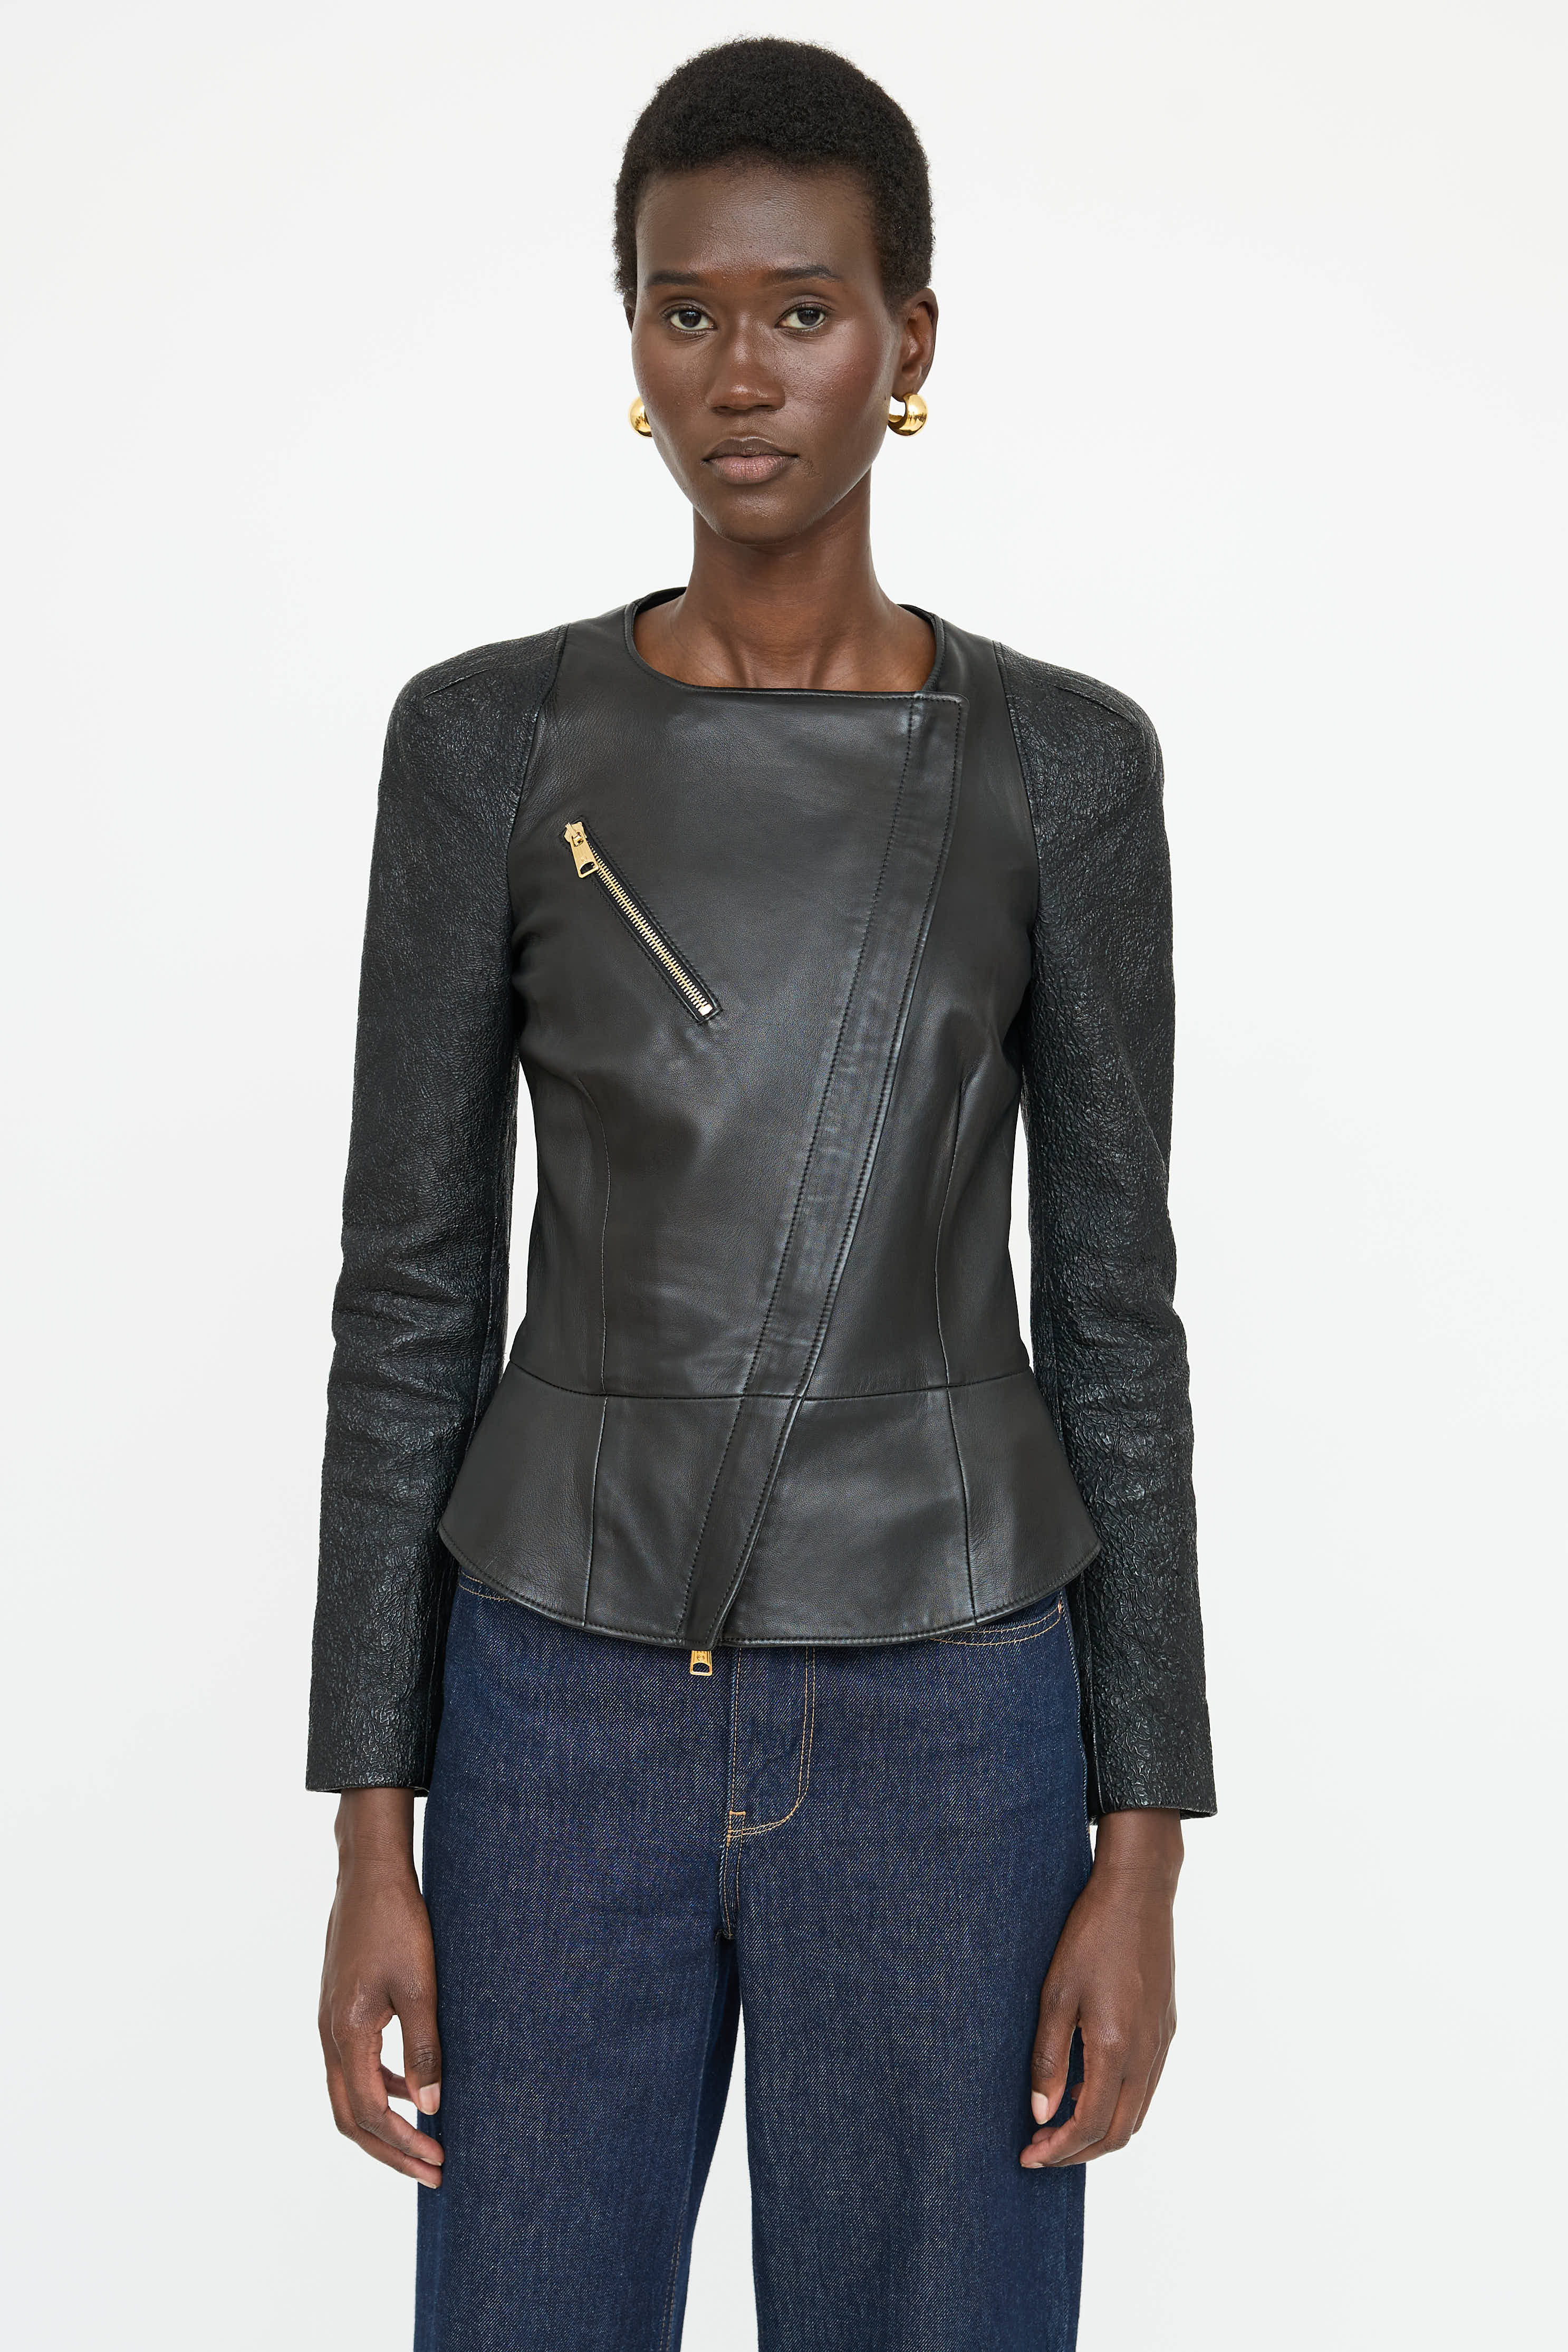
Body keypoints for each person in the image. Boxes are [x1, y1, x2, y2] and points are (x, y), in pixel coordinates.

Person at [308, 37, 1216, 2352]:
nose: (741, 370)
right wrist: (373, 1826)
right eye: (685, 307)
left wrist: (1141, 1845)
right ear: (627, 334)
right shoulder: (485, 743)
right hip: (555, 1708)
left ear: (911, 338)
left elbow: (1115, 1312)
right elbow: (409, 1295)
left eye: (804, 310)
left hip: (954, 1714)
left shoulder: (1064, 767)